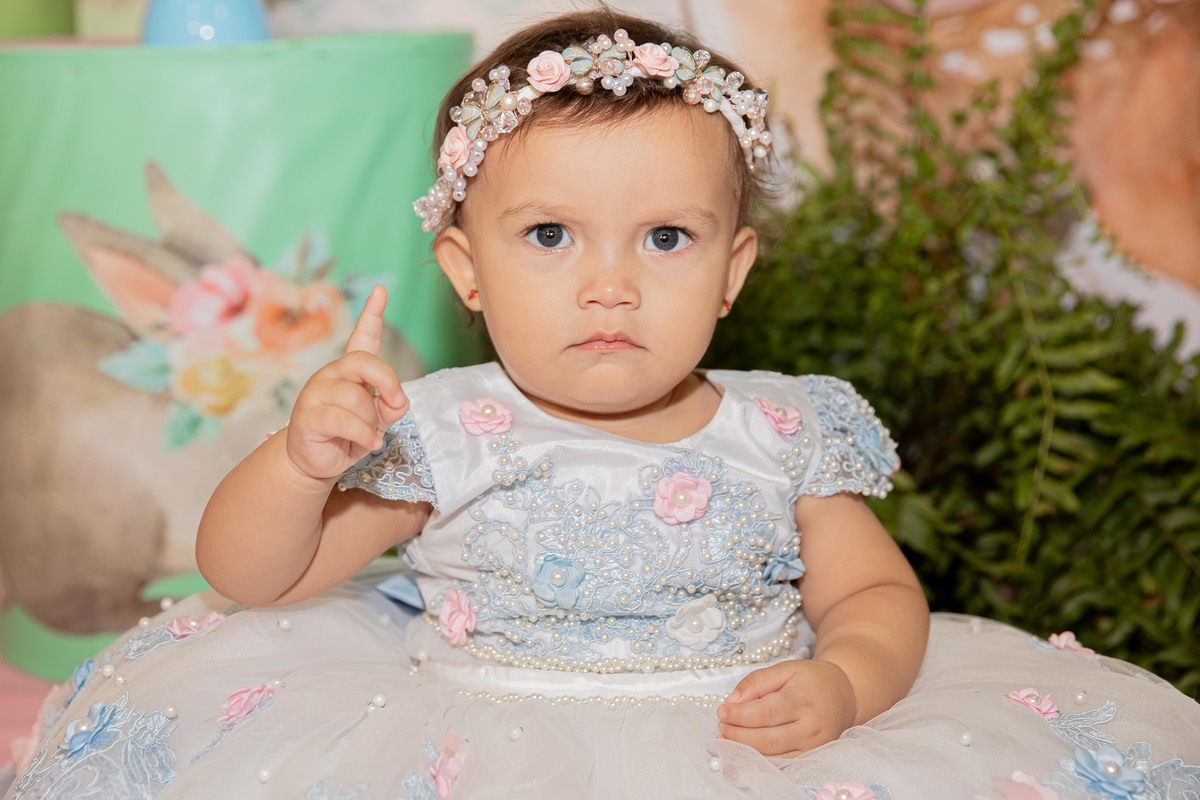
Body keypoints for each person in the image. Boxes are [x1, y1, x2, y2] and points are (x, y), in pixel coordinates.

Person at [7, 8, 1199, 800]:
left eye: (667, 237)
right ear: (467, 270)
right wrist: (299, 460)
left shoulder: (781, 428)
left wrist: (845, 679)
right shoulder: (446, 430)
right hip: (474, 744)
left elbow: (877, 594)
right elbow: (256, 574)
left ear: (733, 270)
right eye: (549, 235)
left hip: (743, 749)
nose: (609, 284)